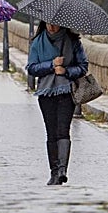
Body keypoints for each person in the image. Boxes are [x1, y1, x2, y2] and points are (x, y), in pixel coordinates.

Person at [25, 20, 89, 186]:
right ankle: (53, 172)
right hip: (46, 93)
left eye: (54, 24)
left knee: (63, 131)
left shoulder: (73, 41)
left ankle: (62, 170)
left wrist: (66, 71)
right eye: (48, 24)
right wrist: (51, 65)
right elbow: (32, 68)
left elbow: (83, 67)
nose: (51, 27)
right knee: (51, 133)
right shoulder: (37, 42)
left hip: (66, 92)